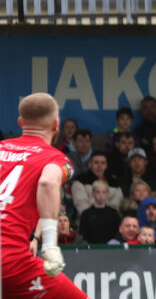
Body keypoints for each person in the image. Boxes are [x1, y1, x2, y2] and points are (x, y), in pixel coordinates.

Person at [0, 92, 88, 298]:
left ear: (20, 122)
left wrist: (34, 235)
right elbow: (48, 183)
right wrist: (49, 245)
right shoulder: (56, 159)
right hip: (10, 261)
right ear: (56, 125)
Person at [71, 151, 123, 216]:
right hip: (86, 221)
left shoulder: (115, 184)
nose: (99, 166)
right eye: (96, 163)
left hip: (109, 221)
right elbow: (81, 204)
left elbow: (115, 206)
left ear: (106, 165)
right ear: (89, 164)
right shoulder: (80, 181)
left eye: (103, 163)